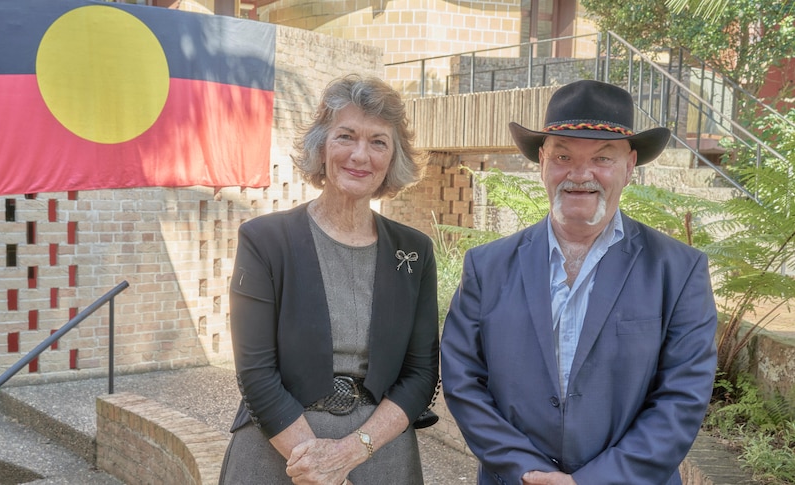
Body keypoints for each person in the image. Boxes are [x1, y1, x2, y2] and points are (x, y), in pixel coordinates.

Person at [440, 80, 718, 485]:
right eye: (563, 155)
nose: (580, 174)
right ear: (542, 163)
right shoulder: (486, 266)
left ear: (629, 166)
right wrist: (527, 471)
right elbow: (464, 381)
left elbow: (683, 398)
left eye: (603, 158)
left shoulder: (678, 270)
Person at [219, 74, 440, 485]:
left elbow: (421, 373)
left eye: (378, 142)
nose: (361, 154)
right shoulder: (265, 240)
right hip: (279, 449)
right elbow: (255, 371)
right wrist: (316, 462)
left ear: (393, 159)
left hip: (380, 454)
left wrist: (349, 453)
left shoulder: (415, 250)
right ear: (321, 146)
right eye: (346, 136)